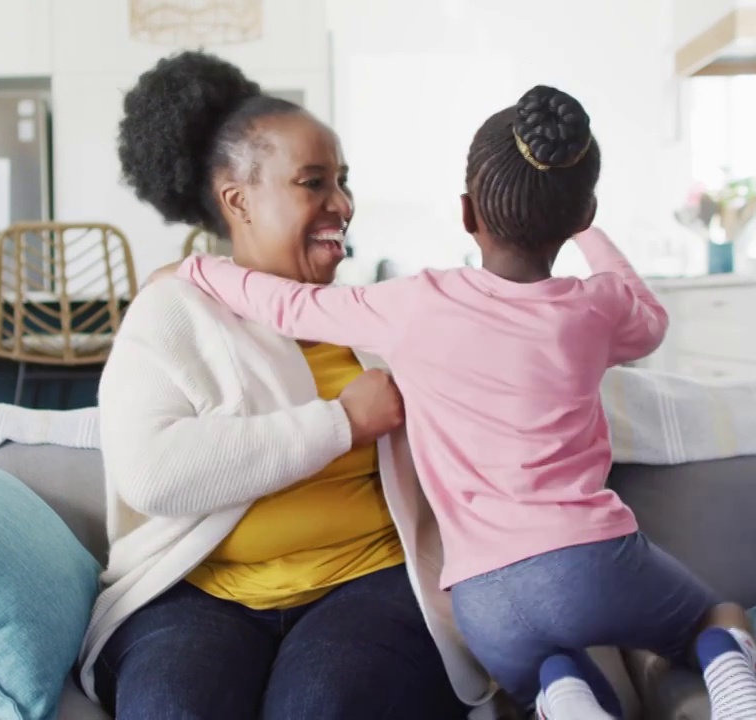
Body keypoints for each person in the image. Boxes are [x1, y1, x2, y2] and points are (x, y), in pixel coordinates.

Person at [171, 86, 756, 720]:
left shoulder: (413, 305)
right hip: (595, 562)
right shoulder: (595, 308)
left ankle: (559, 693)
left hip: (484, 597)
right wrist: (591, 233)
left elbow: (287, 304)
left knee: (541, 671)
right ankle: (730, 676)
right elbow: (650, 319)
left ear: (466, 212)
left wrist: (196, 272)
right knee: (714, 615)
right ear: (582, 211)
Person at [80, 50, 497, 720]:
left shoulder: (373, 320)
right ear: (238, 201)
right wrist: (342, 423)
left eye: (344, 181)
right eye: (314, 183)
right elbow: (152, 474)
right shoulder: (173, 311)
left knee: (323, 708)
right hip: (200, 594)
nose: (344, 204)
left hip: (367, 581)